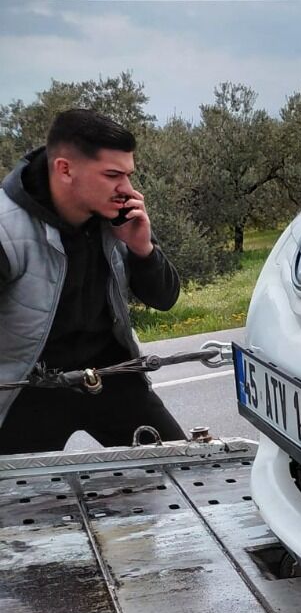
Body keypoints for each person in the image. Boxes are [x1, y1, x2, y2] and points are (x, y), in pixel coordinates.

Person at [0, 108, 184, 454]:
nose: (127, 189)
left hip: (111, 377)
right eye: (113, 174)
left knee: (182, 471)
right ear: (65, 169)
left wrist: (143, 248)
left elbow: (164, 299)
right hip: (29, 389)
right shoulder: (5, 229)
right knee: (19, 503)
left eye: (129, 175)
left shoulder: (118, 214)